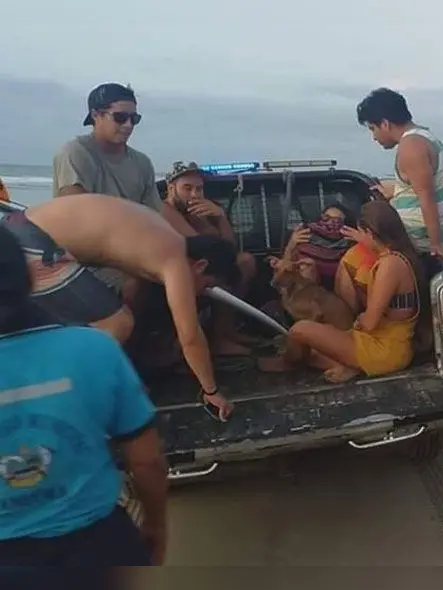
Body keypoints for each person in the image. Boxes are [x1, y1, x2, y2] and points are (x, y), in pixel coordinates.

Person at [0, 224, 169, 566]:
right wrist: (155, 524)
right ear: (30, 279)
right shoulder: (93, 348)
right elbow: (146, 460)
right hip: (97, 547)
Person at [0, 194, 240, 420]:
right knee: (116, 323)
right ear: (200, 265)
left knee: (113, 318)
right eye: (208, 285)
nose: (200, 292)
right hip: (32, 241)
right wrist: (211, 390)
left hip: (18, 230)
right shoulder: (174, 259)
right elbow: (190, 336)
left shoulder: (161, 239)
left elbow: (129, 291)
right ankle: (66, 399)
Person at [258, 200, 430, 382]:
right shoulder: (397, 258)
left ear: (369, 233)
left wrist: (353, 325)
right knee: (310, 351)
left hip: (384, 350)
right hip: (384, 341)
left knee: (299, 331)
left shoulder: (390, 265)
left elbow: (370, 322)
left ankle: (287, 363)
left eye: (360, 232)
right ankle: (347, 366)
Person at [52, 83, 193, 298]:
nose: (128, 125)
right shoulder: (75, 153)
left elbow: (155, 215)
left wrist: (191, 243)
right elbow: (76, 220)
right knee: (136, 281)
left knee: (194, 267)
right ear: (95, 115)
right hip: (83, 259)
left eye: (134, 119)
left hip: (132, 250)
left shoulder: (142, 162)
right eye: (120, 117)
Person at [163, 161, 258, 356]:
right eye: (187, 188)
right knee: (218, 273)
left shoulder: (202, 210)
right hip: (173, 274)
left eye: (199, 189)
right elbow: (202, 247)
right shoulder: (164, 210)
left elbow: (230, 248)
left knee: (244, 262)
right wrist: (207, 226)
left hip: (202, 266)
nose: (194, 195)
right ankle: (214, 341)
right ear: (171, 188)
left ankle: (227, 331)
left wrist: (220, 216)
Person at [356, 88, 443, 265]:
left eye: (373, 128)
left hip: (415, 242)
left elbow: (427, 197)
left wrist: (436, 245)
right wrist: (397, 193)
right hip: (419, 237)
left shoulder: (411, 146)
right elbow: (420, 189)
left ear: (385, 123)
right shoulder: (425, 137)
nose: (374, 137)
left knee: (352, 255)